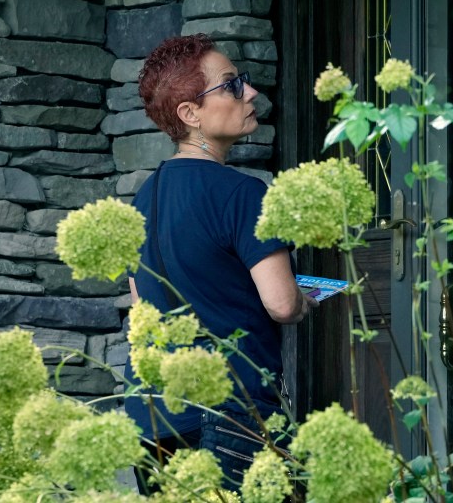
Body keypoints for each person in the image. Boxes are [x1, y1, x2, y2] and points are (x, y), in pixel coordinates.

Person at [123, 34, 316, 491]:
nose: (250, 93)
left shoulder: (142, 199)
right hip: (230, 415)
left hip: (152, 418)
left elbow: (140, 308)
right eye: (232, 85)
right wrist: (306, 298)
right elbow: (282, 305)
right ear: (190, 114)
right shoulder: (243, 194)